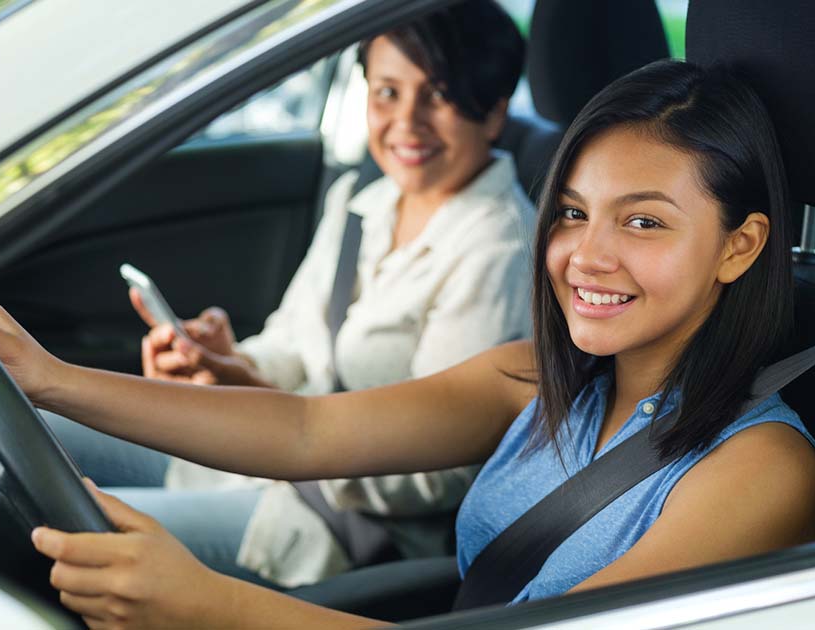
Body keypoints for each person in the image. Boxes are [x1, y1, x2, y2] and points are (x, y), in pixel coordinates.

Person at [0, 59, 815, 627]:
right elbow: (307, 434)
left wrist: (209, 606)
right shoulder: (539, 379)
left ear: (740, 247)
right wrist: (47, 380)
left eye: (643, 222)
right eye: (572, 212)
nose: (587, 256)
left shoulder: (760, 471)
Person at [30, 0, 535, 590]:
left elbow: (436, 472)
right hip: (260, 462)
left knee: (50, 529)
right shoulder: (359, 201)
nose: (407, 122)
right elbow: (293, 342)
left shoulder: (501, 246)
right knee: (30, 427)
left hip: (337, 524)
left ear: (494, 111)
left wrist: (263, 407)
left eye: (439, 95)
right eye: (386, 93)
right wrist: (228, 365)